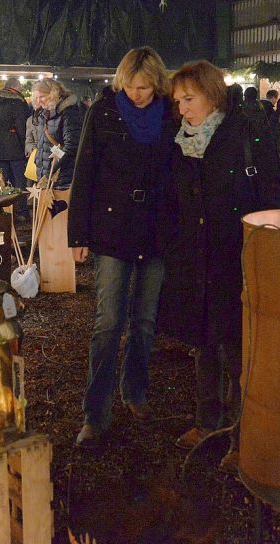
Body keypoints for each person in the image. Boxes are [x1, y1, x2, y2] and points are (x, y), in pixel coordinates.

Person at [160, 60, 280, 473]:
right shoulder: (181, 141)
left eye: (189, 98)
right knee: (204, 343)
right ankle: (206, 421)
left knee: (237, 348)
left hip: (238, 255)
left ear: (212, 94)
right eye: (178, 101)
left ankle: (242, 434)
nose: (182, 109)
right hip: (197, 258)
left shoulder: (246, 132)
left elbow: (273, 192)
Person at [68, 46, 177, 448]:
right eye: (132, 87)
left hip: (155, 231)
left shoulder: (170, 114)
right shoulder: (104, 113)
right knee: (108, 321)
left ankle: (135, 390)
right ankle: (95, 412)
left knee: (145, 321)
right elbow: (85, 172)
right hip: (112, 228)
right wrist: (78, 235)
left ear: (157, 83)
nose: (138, 94)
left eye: (146, 87)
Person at [30, 79, 84, 190]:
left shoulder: (69, 113)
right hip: (46, 175)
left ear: (53, 94)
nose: (39, 101)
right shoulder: (43, 114)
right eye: (37, 97)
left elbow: (71, 146)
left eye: (42, 96)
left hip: (62, 176)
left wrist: (53, 167)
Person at [0, 78, 31, 189]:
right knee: (19, 182)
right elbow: (22, 126)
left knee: (0, 183)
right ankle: (19, 206)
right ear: (16, 87)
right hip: (15, 148)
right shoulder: (18, 102)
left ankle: (0, 205)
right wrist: (25, 146)